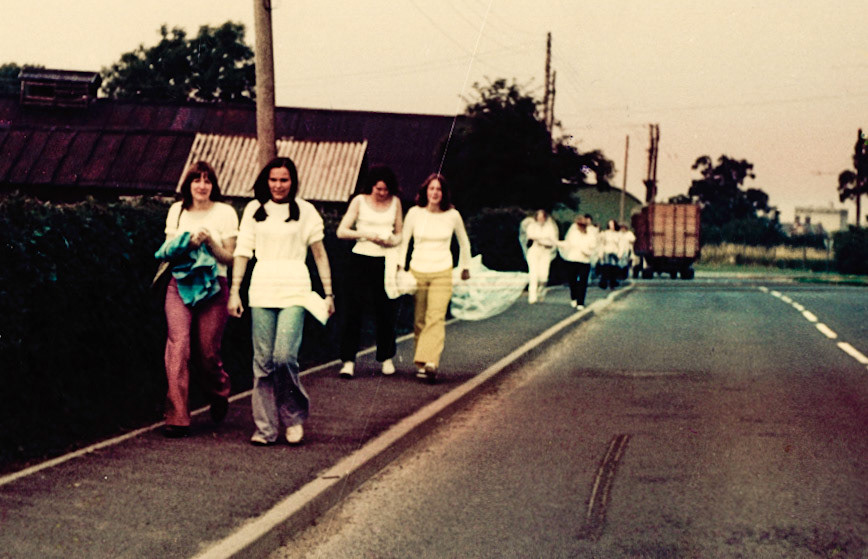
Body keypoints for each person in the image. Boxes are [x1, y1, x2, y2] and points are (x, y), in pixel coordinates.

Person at [227, 157, 335, 446]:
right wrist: (235, 291)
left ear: (292, 181)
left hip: (295, 290)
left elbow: (320, 254)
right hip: (261, 290)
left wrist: (328, 293)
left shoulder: (306, 212)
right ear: (266, 181)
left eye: (284, 180)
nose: (278, 185)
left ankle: (293, 417)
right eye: (273, 180)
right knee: (262, 363)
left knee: (284, 357)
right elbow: (242, 253)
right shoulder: (254, 210)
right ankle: (265, 428)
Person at [158, 161, 238, 438]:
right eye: (196, 180)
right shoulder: (177, 210)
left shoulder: (226, 212)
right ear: (188, 185)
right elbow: (168, 252)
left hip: (215, 285)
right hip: (180, 283)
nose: (202, 185)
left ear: (214, 185)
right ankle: (177, 417)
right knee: (178, 346)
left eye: (207, 180)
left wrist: (210, 244)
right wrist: (188, 244)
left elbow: (230, 257)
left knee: (207, 352)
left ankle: (218, 392)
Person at [397, 173, 471, 383]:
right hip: (418, 269)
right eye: (431, 189)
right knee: (420, 318)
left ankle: (431, 361)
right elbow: (404, 241)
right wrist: (400, 267)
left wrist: (464, 266)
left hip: (442, 270)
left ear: (443, 193)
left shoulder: (452, 216)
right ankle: (421, 363)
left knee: (436, 316)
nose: (435, 193)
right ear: (425, 191)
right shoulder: (414, 213)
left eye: (439, 189)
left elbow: (464, 242)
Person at [335, 166, 403, 378]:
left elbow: (401, 233)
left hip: (385, 260)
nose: (382, 193)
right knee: (353, 310)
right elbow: (341, 231)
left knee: (385, 311)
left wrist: (392, 240)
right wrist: (366, 235)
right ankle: (348, 361)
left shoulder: (396, 202)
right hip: (360, 259)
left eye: (386, 190)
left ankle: (386, 358)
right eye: (379, 189)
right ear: (371, 186)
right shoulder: (359, 201)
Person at [559, 215, 597, 309]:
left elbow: (593, 245)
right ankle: (574, 297)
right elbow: (568, 243)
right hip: (572, 259)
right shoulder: (573, 232)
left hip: (584, 260)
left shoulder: (590, 233)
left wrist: (586, 250)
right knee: (573, 280)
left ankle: (580, 302)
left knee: (583, 282)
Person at [523, 209, 559, 304]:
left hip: (545, 251)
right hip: (534, 250)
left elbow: (552, 240)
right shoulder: (532, 226)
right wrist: (543, 238)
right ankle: (532, 296)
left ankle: (541, 290)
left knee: (544, 274)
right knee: (533, 273)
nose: (540, 219)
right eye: (539, 217)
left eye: (542, 217)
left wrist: (541, 239)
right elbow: (530, 236)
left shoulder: (550, 227)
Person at [598, 219, 622, 289]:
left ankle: (613, 283)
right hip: (607, 251)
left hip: (615, 252)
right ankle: (604, 283)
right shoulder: (605, 233)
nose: (611, 226)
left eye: (612, 224)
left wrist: (620, 253)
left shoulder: (618, 234)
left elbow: (620, 245)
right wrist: (601, 253)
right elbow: (602, 244)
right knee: (606, 268)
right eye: (610, 224)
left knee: (613, 268)